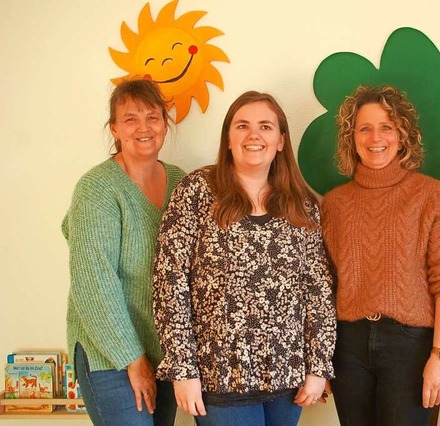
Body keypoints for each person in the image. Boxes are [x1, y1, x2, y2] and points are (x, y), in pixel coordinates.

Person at [152, 91, 336, 426]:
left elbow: (318, 291)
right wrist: (183, 369)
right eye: (242, 126)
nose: (254, 135)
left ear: (281, 141)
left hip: (287, 378)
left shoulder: (301, 205)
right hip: (219, 375)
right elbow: (170, 281)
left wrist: (319, 367)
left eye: (266, 127)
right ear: (228, 138)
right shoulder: (197, 191)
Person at [321, 84, 440, 425]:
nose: (376, 137)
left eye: (386, 127)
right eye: (364, 128)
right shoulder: (334, 204)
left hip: (412, 347)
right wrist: (320, 359)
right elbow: (322, 287)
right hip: (348, 346)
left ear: (403, 135)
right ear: (351, 137)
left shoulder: (431, 196)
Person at [63, 78, 184, 425]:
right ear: (115, 129)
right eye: (131, 119)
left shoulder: (181, 182)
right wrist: (132, 358)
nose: (143, 127)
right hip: (110, 355)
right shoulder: (97, 188)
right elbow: (94, 282)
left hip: (162, 354)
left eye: (153, 117)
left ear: (165, 124)